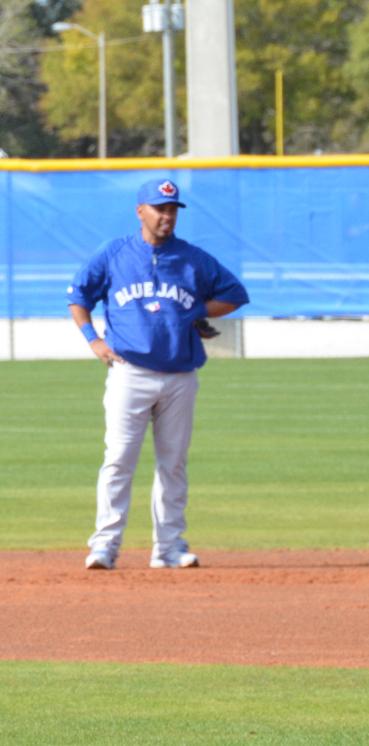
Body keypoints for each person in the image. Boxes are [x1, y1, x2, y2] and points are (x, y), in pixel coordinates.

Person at [66, 177, 248, 571]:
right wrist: (92, 340)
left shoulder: (192, 259)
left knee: (173, 463)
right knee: (118, 460)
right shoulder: (113, 253)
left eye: (172, 209)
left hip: (180, 375)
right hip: (129, 371)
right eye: (159, 208)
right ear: (141, 211)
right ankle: (105, 546)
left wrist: (199, 310)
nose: (167, 216)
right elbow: (78, 296)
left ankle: (168, 548)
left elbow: (234, 294)